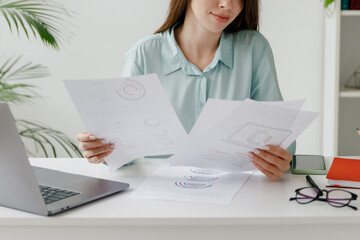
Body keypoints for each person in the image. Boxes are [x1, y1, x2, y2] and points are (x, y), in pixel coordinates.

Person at [77, 0, 295, 180]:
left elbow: (282, 139)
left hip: (235, 192)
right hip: (160, 195)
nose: (227, 5)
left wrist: (279, 160)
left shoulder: (254, 49)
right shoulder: (143, 54)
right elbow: (127, 152)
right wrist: (103, 150)